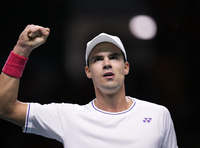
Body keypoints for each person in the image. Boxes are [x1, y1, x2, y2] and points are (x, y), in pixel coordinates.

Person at [0, 24, 178, 148]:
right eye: (98, 59)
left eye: (114, 57)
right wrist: (21, 50)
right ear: (88, 71)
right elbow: (5, 108)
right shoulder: (68, 117)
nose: (106, 63)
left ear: (126, 67)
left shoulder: (158, 115)